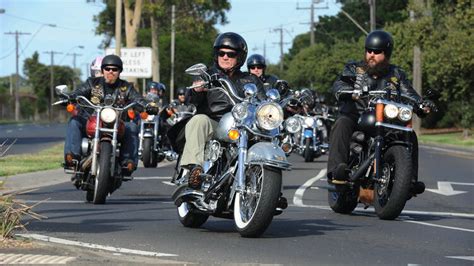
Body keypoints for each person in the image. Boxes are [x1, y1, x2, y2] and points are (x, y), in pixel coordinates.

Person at [327, 30, 435, 185]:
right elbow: (339, 84)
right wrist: (346, 91)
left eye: (377, 52)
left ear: (387, 53)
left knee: (410, 135)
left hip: (386, 119)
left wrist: (422, 104)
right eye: (369, 50)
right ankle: (336, 171)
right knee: (341, 123)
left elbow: (409, 94)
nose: (371, 54)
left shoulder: (396, 74)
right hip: (357, 117)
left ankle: (409, 181)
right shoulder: (354, 69)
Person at [179, 32, 264, 182]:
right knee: (198, 120)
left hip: (244, 126)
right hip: (216, 124)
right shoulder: (207, 75)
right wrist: (196, 90)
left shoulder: (251, 79)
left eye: (230, 54)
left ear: (239, 57)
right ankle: (194, 170)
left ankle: (265, 181)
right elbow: (192, 100)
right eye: (221, 53)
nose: (225, 57)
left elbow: (263, 104)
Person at [63, 54, 145, 175]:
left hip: (117, 122)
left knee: (132, 127)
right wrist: (71, 97)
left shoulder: (126, 87)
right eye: (107, 69)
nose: (111, 71)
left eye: (114, 69)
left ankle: (128, 162)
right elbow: (79, 92)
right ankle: (72, 157)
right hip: (92, 120)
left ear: (119, 71)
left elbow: (138, 99)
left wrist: (147, 105)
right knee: (75, 121)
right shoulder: (92, 83)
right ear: (102, 70)